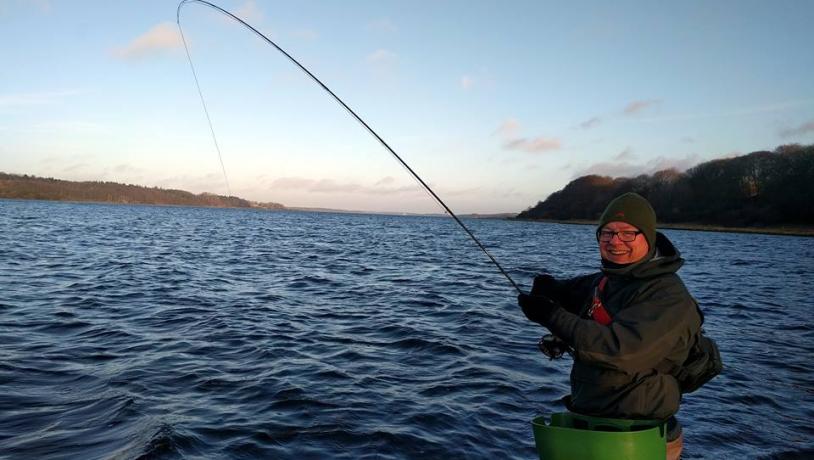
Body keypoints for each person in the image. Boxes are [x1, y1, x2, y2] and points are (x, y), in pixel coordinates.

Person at [518, 192, 704, 459]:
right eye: (607, 233)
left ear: (648, 237)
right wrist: (551, 289)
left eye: (628, 233)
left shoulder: (669, 295)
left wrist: (552, 316)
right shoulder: (607, 280)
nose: (615, 241)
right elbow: (573, 291)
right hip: (590, 430)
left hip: (636, 440)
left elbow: (620, 351)